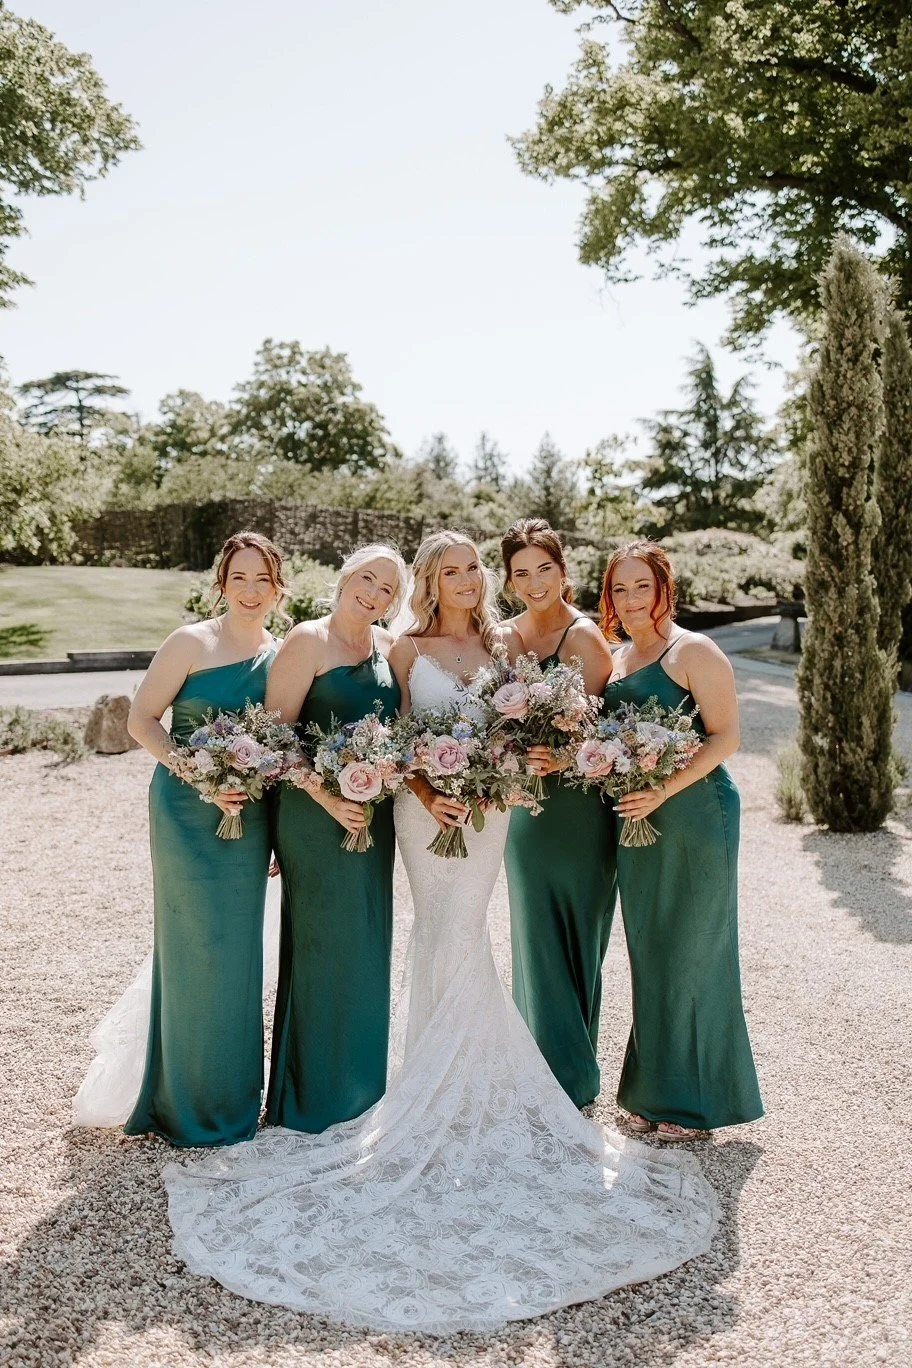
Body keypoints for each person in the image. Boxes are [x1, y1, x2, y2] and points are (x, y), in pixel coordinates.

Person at [162, 530, 718, 1334]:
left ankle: (466, 1084)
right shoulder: (401, 647)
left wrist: (510, 776)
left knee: (470, 934)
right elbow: (392, 736)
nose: (462, 578)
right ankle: (430, 1081)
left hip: (487, 813)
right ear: (428, 581)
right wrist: (426, 791)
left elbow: (534, 731)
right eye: (446, 569)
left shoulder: (501, 642)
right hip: (425, 818)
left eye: (470, 567)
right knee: (441, 930)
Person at [122, 531, 285, 1147]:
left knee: (239, 951)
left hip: (247, 817)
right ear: (222, 582)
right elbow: (141, 721)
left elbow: (279, 745)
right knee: (194, 945)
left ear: (278, 587)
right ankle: (182, 1102)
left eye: (262, 580)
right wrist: (202, 775)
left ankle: (232, 1097)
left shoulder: (279, 653)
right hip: (186, 815)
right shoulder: (190, 642)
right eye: (239, 578)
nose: (250, 591)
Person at [601, 540, 764, 1141]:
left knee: (696, 947)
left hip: (695, 811)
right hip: (637, 816)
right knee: (650, 946)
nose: (630, 597)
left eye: (641, 585)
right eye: (619, 588)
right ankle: (653, 1093)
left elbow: (725, 738)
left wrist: (663, 788)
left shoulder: (693, 650)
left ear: (664, 586)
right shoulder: (616, 659)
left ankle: (697, 1106)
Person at [264, 544, 407, 1132]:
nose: (374, 594)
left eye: (388, 591)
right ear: (345, 577)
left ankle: (361, 1094)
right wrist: (328, 795)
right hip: (313, 818)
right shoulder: (307, 640)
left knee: (368, 942)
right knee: (321, 944)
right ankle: (311, 1099)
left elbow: (403, 730)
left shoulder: (391, 650)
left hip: (373, 819)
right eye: (367, 580)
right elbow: (275, 737)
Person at [499, 519, 617, 1107]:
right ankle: (534, 1069)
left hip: (579, 812)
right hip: (528, 815)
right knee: (532, 935)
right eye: (521, 572)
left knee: (577, 933)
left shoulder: (585, 638)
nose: (534, 581)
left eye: (543, 568)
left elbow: (604, 739)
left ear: (563, 570)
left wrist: (564, 753)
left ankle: (570, 1078)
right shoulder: (507, 638)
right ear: (510, 579)